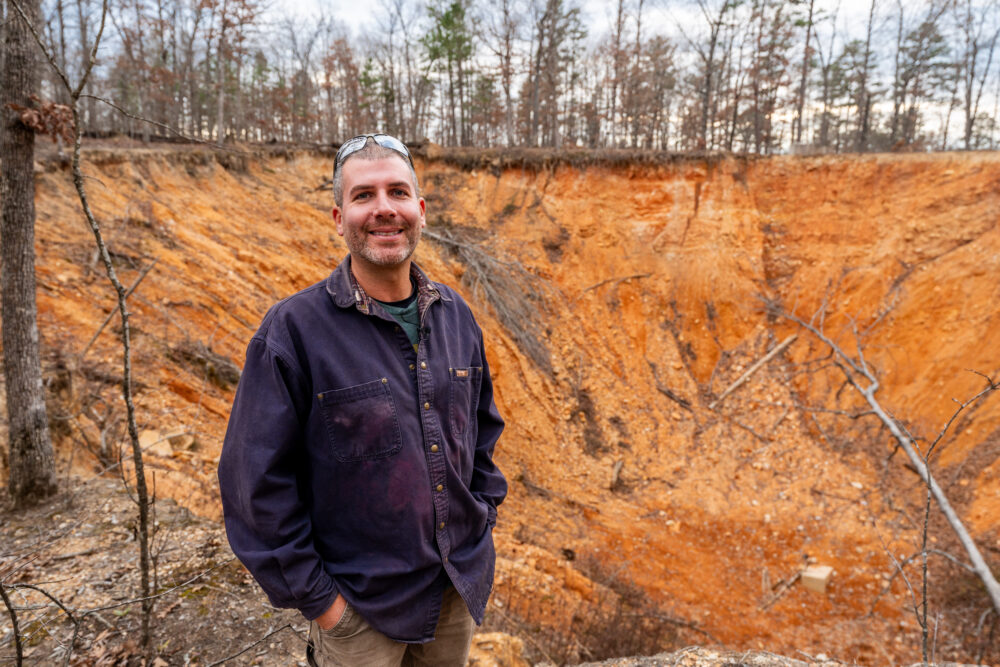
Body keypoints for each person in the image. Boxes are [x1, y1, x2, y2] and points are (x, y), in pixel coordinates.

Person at [217, 133, 507, 666]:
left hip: (452, 593)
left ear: (419, 209)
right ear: (338, 216)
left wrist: (482, 516)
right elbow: (253, 483)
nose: (383, 210)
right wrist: (324, 603)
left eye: (397, 192)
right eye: (363, 195)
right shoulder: (294, 332)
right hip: (360, 615)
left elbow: (482, 432)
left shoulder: (456, 316)